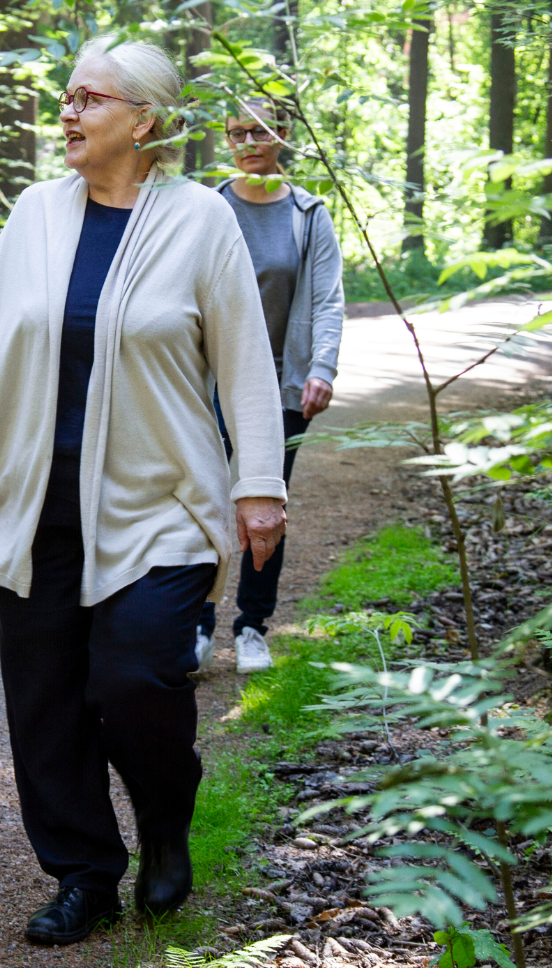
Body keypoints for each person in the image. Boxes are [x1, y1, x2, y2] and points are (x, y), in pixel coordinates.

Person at [0, 36, 288, 946]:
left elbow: (246, 361)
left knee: (134, 680)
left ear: (145, 120)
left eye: (88, 99)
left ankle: (165, 820)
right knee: (44, 699)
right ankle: (84, 873)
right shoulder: (36, 213)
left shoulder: (201, 221)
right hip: (31, 497)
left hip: (159, 502)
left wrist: (261, 486)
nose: (69, 114)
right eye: (67, 98)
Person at [195, 101, 345, 675]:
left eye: (258, 131)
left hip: (280, 385)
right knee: (205, 500)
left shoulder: (309, 215)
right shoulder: (209, 207)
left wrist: (322, 368)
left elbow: (328, 299)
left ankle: (253, 627)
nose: (247, 142)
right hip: (205, 381)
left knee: (265, 506)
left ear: (282, 134)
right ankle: (198, 625)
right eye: (235, 133)